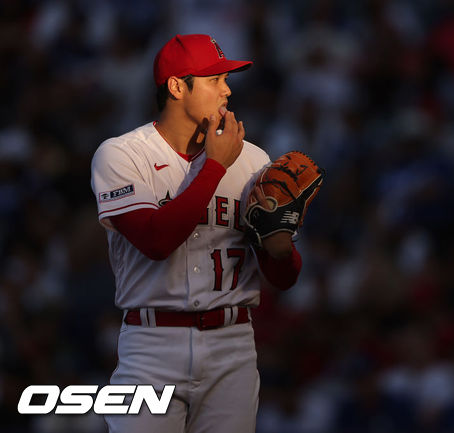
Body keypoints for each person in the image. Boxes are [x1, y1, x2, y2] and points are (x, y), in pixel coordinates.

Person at [90, 34, 302, 433]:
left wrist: (280, 251)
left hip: (232, 344)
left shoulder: (254, 159)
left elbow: (284, 278)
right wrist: (215, 168)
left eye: (226, 78)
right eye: (214, 79)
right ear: (176, 86)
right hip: (153, 345)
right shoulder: (122, 154)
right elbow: (155, 242)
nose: (227, 88)